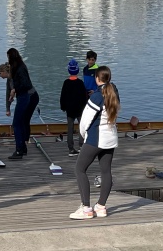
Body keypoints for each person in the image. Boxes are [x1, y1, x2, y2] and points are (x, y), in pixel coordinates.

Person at [70, 66, 120, 220]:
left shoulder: (96, 96)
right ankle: (101, 207)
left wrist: (83, 135)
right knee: (106, 171)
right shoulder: (114, 93)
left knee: (79, 169)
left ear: (97, 79)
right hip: (111, 138)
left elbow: (85, 121)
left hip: (96, 139)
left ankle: (86, 208)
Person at [6, 48, 39, 160]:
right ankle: (22, 148)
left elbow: (26, 84)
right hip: (22, 96)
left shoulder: (20, 68)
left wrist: (15, 90)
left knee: (17, 124)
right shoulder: (19, 67)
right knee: (21, 122)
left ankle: (19, 150)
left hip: (24, 96)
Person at [60, 59, 88, 156]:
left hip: (69, 110)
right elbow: (84, 97)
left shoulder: (66, 83)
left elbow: (62, 96)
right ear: (78, 70)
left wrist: (63, 107)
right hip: (80, 109)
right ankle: (81, 146)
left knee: (70, 129)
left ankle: (71, 148)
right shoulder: (80, 83)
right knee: (82, 127)